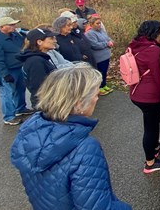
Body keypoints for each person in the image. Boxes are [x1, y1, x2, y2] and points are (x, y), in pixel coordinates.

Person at [10, 63, 131, 210]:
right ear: (78, 104)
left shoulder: (31, 129)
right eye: (95, 95)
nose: (96, 99)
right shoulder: (85, 148)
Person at [128, 20, 160, 174]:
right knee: (150, 128)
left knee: (151, 124)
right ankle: (150, 163)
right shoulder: (153, 51)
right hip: (150, 97)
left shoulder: (135, 44)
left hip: (136, 92)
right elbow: (159, 78)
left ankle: (154, 147)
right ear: (155, 32)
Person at [0, 16, 33, 125]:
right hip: (7, 70)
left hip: (19, 67)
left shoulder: (16, 35)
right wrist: (4, 74)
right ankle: (9, 116)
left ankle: (20, 108)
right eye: (11, 25)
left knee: (20, 89)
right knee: (7, 93)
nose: (14, 26)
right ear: (2, 27)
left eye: (14, 24)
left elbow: (23, 47)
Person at [16, 28, 57, 108]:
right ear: (39, 42)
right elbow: (40, 88)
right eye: (51, 38)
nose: (55, 41)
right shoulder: (35, 62)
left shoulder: (39, 58)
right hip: (46, 105)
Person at [85, 15, 114, 95]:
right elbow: (95, 45)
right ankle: (99, 87)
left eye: (100, 23)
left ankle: (104, 84)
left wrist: (111, 41)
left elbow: (108, 38)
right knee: (100, 72)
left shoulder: (101, 30)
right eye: (97, 23)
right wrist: (106, 44)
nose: (99, 25)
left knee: (104, 72)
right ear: (91, 24)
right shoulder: (90, 33)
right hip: (99, 58)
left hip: (106, 56)